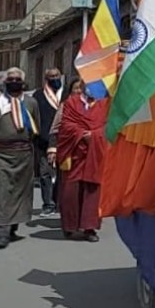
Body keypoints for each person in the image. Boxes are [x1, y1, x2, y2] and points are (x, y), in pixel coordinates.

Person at [0, 68, 39, 249]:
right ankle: (1, 233)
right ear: (5, 82)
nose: (13, 81)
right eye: (10, 79)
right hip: (0, 154)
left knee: (19, 192)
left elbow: (36, 126)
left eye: (17, 79)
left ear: (23, 82)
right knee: (0, 192)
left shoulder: (31, 102)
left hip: (23, 154)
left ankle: (13, 227)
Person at [54, 78, 107, 242]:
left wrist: (95, 135)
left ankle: (90, 228)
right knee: (71, 190)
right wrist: (80, 133)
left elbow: (110, 124)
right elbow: (66, 125)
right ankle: (70, 227)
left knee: (93, 191)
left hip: (95, 154)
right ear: (83, 86)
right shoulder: (72, 102)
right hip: (75, 153)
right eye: (89, 84)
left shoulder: (104, 103)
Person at [31, 68, 63, 218]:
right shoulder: (38, 95)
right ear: (46, 79)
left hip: (64, 140)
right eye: (51, 77)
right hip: (44, 141)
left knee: (62, 174)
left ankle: (58, 201)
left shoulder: (66, 94)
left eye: (56, 76)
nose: (54, 78)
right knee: (45, 173)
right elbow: (34, 117)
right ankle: (48, 204)